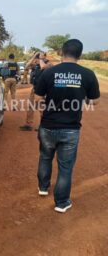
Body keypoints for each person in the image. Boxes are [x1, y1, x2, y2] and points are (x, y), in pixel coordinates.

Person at [35, 39, 100, 213]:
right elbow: (94, 102)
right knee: (65, 167)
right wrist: (82, 97)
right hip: (71, 129)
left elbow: (38, 99)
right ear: (80, 54)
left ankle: (43, 187)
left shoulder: (49, 73)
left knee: (45, 157)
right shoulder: (87, 74)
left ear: (62, 52)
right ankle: (61, 203)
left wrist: (43, 114)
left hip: (48, 126)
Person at [20, 52, 52, 131]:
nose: (36, 60)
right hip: (34, 89)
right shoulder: (36, 64)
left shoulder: (49, 64)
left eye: (38, 58)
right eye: (36, 58)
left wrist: (41, 59)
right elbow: (26, 66)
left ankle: (42, 125)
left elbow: (43, 67)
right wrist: (34, 56)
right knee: (31, 106)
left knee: (41, 108)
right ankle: (28, 124)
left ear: (44, 57)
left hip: (44, 90)